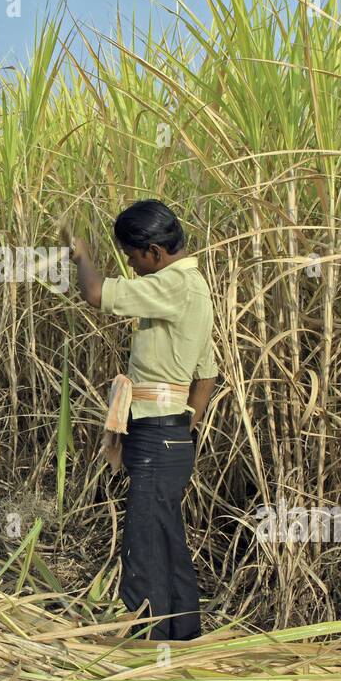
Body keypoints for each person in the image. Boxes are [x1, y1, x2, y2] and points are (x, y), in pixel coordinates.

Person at [65, 200, 217, 641]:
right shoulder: (193, 287)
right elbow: (205, 373)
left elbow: (96, 294)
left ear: (153, 251)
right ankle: (182, 641)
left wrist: (83, 258)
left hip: (158, 437)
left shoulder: (173, 284)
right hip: (168, 437)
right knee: (167, 541)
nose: (131, 265)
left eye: (132, 257)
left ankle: (149, 650)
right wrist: (182, 428)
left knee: (145, 547)